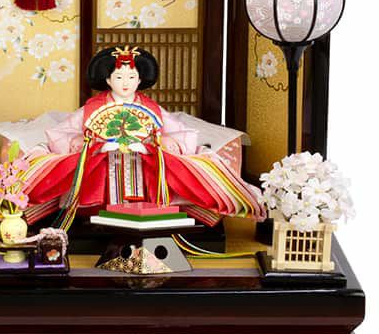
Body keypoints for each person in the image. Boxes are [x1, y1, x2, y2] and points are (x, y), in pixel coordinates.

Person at [23, 46, 265, 228]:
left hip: (144, 160)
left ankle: (149, 209)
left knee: (173, 166)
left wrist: (165, 141)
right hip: (102, 162)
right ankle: (95, 212)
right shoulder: (93, 108)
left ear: (140, 80)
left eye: (131, 77)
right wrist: (79, 142)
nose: (125, 83)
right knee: (81, 168)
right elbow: (60, 133)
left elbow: (180, 132)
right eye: (119, 77)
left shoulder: (150, 108)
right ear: (107, 80)